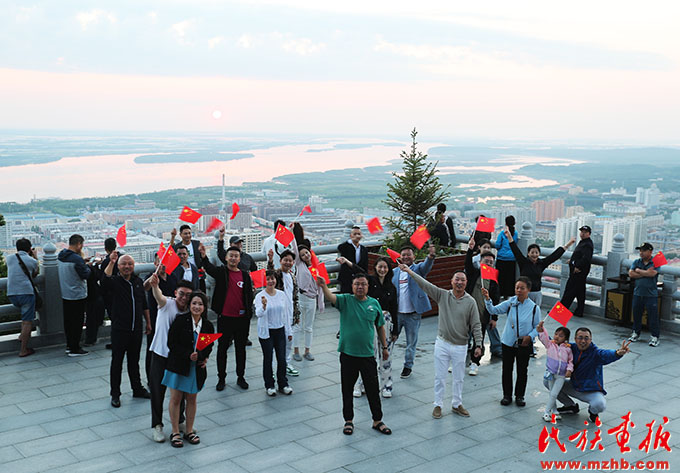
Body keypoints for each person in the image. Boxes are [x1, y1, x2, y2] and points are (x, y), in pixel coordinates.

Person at [400, 266, 482, 419]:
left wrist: (478, 344)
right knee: (440, 377)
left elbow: (476, 325)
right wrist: (409, 272)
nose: (459, 282)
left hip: (461, 345)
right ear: (451, 282)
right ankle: (438, 404)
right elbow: (425, 284)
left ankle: (457, 404)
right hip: (442, 343)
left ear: (466, 283)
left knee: (459, 378)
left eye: (462, 280)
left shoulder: (471, 302)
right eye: (457, 279)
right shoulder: (442, 295)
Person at [317, 273, 392, 436]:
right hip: (348, 354)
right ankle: (348, 420)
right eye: (357, 284)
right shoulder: (346, 301)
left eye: (363, 284)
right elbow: (331, 297)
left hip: (367, 355)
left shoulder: (374, 304)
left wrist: (384, 347)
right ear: (352, 286)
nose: (360, 287)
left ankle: (377, 420)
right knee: (347, 388)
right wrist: (323, 286)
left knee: (372, 389)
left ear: (367, 286)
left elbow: (380, 327)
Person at [163, 291, 215, 448]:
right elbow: (171, 343)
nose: (197, 307)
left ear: (205, 307)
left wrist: (201, 356)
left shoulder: (207, 325)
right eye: (194, 303)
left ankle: (189, 430)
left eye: (200, 304)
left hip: (196, 368)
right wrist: (187, 355)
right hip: (178, 366)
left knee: (192, 399)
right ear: (189, 305)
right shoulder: (180, 321)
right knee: (176, 399)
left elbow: (209, 345)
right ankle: (175, 431)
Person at [199, 243, 253, 391]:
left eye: (236, 256)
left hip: (242, 319)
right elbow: (209, 268)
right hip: (225, 318)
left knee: (240, 349)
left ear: (239, 258)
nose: (234, 258)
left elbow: (249, 295)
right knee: (222, 349)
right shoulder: (221, 272)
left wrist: (249, 313)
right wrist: (203, 257)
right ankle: (221, 378)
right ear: (226, 258)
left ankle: (240, 377)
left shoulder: (244, 275)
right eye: (231, 256)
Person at [102, 252, 151, 407]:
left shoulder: (137, 282)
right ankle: (115, 393)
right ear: (119, 267)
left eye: (130, 264)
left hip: (135, 329)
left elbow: (144, 304)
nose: (127, 267)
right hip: (119, 329)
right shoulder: (115, 282)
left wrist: (148, 323)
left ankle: (137, 388)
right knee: (117, 362)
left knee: (134, 361)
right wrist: (111, 262)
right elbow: (104, 281)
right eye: (124, 264)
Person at [146, 276, 192, 443]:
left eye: (188, 295)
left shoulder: (190, 310)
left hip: (178, 357)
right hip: (160, 354)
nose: (184, 298)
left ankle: (179, 420)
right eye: (181, 294)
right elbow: (158, 296)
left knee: (180, 392)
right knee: (157, 392)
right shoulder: (167, 304)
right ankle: (157, 425)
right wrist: (155, 286)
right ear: (175, 293)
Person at [483, 276, 540, 407]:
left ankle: (520, 396)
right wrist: (487, 299)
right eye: (517, 288)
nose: (519, 290)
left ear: (528, 290)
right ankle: (506, 395)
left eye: (522, 288)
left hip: (524, 343)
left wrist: (530, 337)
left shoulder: (534, 308)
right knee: (507, 369)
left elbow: (537, 327)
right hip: (508, 342)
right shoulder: (510, 303)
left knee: (522, 370)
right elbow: (493, 310)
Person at [553, 328, 630, 423]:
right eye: (580, 338)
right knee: (549, 381)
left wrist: (618, 353)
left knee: (600, 404)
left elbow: (607, 354)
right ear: (575, 339)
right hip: (574, 386)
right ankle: (570, 406)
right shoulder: (570, 348)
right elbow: (554, 343)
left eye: (586, 338)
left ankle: (593, 412)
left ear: (591, 340)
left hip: (590, 391)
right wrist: (541, 332)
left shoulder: (596, 353)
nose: (583, 341)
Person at [354, 257, 398, 398]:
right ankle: (362, 385)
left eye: (385, 267)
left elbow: (394, 308)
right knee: (368, 355)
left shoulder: (391, 287)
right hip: (370, 321)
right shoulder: (370, 283)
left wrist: (395, 329)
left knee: (386, 355)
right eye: (380, 267)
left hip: (386, 321)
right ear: (375, 267)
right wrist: (347, 262)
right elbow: (358, 272)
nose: (382, 270)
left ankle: (386, 386)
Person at [392, 244, 436, 379]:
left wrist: (431, 256)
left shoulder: (418, 269)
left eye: (408, 254)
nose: (406, 257)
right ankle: (384, 362)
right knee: (389, 340)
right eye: (403, 255)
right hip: (397, 313)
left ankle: (408, 366)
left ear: (414, 257)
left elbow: (427, 265)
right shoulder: (394, 272)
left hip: (413, 314)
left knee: (411, 342)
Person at [507, 229, 575, 308]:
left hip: (536, 293)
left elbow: (555, 256)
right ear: (528, 253)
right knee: (522, 312)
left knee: (535, 313)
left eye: (536, 252)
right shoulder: (523, 262)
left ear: (539, 254)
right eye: (532, 252)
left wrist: (568, 244)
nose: (534, 255)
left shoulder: (541, 263)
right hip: (524, 292)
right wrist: (509, 236)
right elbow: (515, 250)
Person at [465, 238, 500, 375]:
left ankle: (475, 363)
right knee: (463, 339)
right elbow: (467, 264)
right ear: (480, 262)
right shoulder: (474, 274)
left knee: (478, 340)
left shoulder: (493, 280)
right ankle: (461, 361)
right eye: (486, 261)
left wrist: (494, 318)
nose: (489, 264)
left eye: (491, 262)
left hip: (482, 315)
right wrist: (469, 249)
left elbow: (496, 299)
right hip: (467, 313)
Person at [255, 270, 293, 396]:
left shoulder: (282, 294)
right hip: (267, 331)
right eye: (268, 279)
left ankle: (283, 383)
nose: (271, 281)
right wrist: (264, 306)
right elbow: (258, 314)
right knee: (268, 358)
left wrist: (289, 330)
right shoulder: (260, 296)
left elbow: (286, 314)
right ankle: (269, 385)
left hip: (280, 329)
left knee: (281, 358)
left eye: (273, 279)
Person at [143, 252, 178, 386]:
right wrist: (153, 279)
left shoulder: (173, 277)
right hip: (155, 319)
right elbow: (145, 287)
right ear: (156, 264)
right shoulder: (151, 277)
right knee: (152, 350)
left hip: (171, 319)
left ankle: (168, 375)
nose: (163, 265)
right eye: (160, 262)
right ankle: (151, 379)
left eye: (165, 262)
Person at [267, 248, 301, 377]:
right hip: (279, 313)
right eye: (285, 260)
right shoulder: (278, 274)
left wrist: (296, 314)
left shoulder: (292, 275)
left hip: (290, 312)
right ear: (280, 261)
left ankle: (287, 363)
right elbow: (270, 274)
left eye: (290, 260)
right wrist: (270, 260)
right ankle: (278, 366)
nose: (288, 263)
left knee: (289, 339)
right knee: (279, 341)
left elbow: (295, 296)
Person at [290, 234, 324, 362]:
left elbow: (321, 286)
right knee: (297, 326)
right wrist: (293, 233)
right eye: (303, 254)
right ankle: (296, 350)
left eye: (307, 253)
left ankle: (307, 350)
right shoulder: (299, 265)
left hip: (312, 299)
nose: (306, 256)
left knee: (309, 327)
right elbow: (294, 249)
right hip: (300, 297)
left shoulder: (317, 266)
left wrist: (321, 303)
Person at [58, 234, 92, 356]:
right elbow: (85, 275)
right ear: (78, 244)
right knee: (77, 322)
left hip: (65, 293)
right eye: (82, 245)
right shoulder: (76, 259)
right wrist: (88, 267)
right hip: (77, 294)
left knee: (68, 322)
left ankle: (69, 345)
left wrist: (82, 262)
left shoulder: (61, 255)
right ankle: (75, 348)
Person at [7, 238, 39, 357]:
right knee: (27, 322)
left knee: (24, 319)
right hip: (25, 293)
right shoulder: (31, 261)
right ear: (30, 248)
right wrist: (35, 257)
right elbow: (35, 273)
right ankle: (23, 350)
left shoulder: (9, 258)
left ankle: (22, 336)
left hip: (11, 293)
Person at [536, 321, 573, 422]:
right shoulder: (550, 345)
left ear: (565, 338)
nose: (557, 337)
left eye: (560, 336)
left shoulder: (568, 349)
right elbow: (544, 338)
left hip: (561, 375)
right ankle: (554, 411)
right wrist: (542, 329)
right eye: (556, 334)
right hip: (551, 373)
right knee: (552, 393)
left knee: (554, 394)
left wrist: (569, 370)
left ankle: (546, 412)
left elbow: (570, 361)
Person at [628, 242, 660, 346]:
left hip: (651, 294)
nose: (641, 253)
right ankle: (635, 333)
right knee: (637, 314)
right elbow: (631, 274)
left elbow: (652, 273)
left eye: (643, 250)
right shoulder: (637, 261)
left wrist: (638, 271)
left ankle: (655, 337)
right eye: (640, 250)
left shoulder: (656, 261)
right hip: (638, 293)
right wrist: (645, 273)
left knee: (652, 317)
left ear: (650, 251)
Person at [560, 225, 594, 318]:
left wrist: (576, 265)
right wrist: (571, 260)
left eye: (585, 232)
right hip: (579, 271)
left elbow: (586, 259)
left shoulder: (588, 244)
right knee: (580, 292)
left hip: (578, 271)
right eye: (581, 232)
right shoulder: (583, 242)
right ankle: (579, 311)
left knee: (569, 291)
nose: (582, 234)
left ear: (589, 234)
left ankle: (560, 312)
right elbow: (579, 255)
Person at [171, 225, 205, 291]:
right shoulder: (178, 246)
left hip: (197, 275)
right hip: (183, 276)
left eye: (189, 233)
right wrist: (173, 236)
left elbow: (203, 257)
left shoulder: (197, 244)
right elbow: (171, 250)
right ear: (180, 235)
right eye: (185, 233)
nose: (188, 235)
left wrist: (203, 267)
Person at [336, 226, 368, 294]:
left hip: (359, 280)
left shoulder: (364, 249)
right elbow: (340, 247)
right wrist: (350, 241)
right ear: (350, 235)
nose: (357, 236)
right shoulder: (346, 246)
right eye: (355, 234)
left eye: (359, 234)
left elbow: (365, 265)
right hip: (347, 279)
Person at [495, 216, 518, 298]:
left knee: (500, 278)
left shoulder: (502, 233)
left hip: (501, 258)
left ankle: (500, 293)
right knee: (510, 278)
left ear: (505, 223)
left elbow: (497, 245)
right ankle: (508, 294)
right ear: (514, 223)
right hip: (512, 258)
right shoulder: (516, 233)